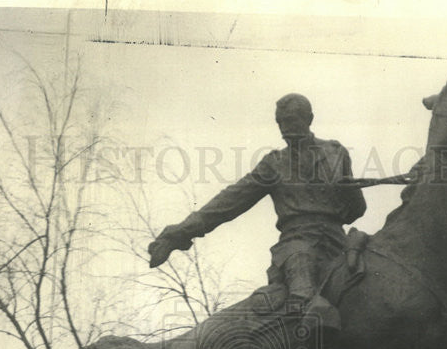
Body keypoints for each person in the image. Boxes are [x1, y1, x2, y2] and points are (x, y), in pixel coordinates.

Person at [148, 94, 366, 324]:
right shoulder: (274, 164)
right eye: (280, 122)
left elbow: (356, 211)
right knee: (303, 298)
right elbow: (230, 201)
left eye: (291, 120)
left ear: (309, 119)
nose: (284, 128)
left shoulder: (335, 153)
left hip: (337, 243)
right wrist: (178, 233)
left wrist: (348, 189)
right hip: (297, 246)